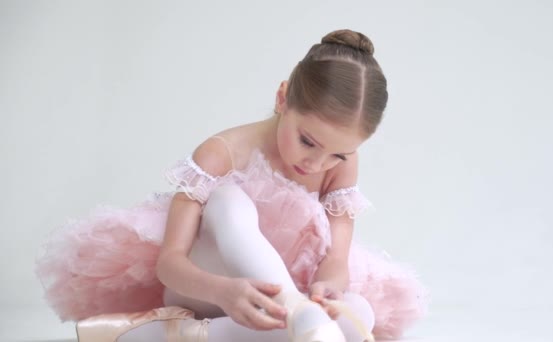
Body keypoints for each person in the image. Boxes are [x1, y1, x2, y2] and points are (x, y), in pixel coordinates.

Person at [36, 29, 427, 342]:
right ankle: (293, 311)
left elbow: (337, 259)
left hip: (270, 302)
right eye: (308, 141)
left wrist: (328, 288)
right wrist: (223, 291)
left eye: (338, 155)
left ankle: (178, 336)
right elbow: (170, 264)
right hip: (206, 284)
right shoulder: (221, 153)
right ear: (282, 97)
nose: (317, 164)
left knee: (358, 313)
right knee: (227, 198)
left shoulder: (341, 165)